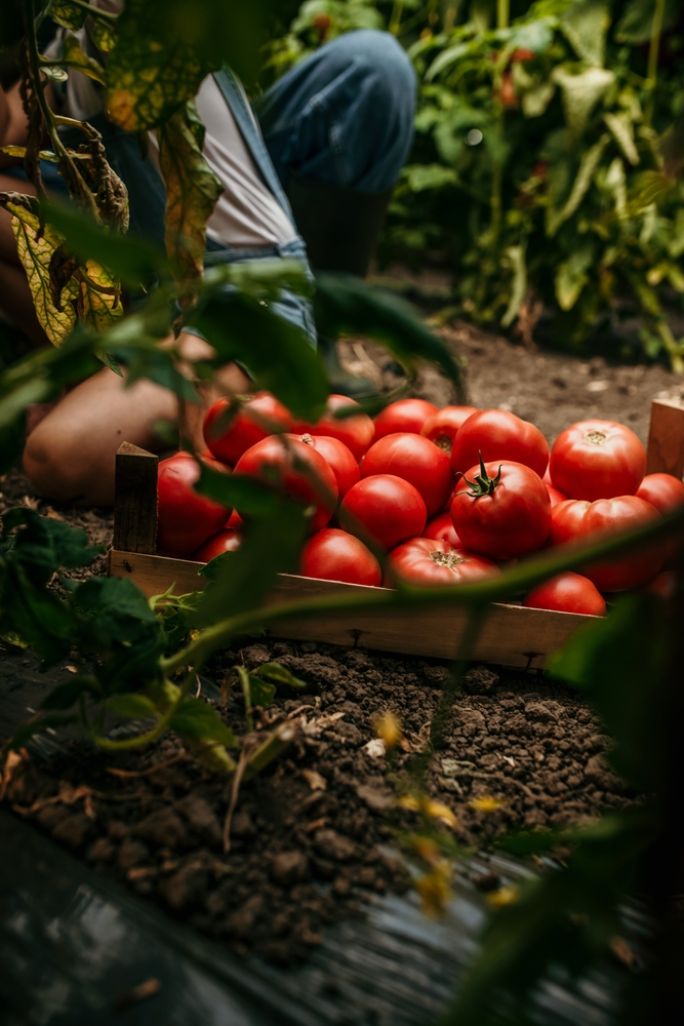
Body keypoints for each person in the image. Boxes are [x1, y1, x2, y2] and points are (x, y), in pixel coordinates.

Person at [0, 9, 416, 506]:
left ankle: (292, 367)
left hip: (242, 287)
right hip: (170, 265)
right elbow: (13, 122)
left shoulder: (116, 17)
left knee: (57, 459)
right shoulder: (61, 38)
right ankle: (93, 370)